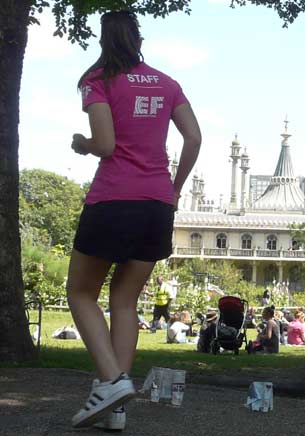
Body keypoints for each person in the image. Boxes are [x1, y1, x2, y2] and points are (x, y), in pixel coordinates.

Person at [66, 10, 201, 429]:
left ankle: (110, 382)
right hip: (157, 204)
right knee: (125, 301)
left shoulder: (98, 80)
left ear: (104, 39)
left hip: (113, 201)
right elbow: (194, 138)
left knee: (80, 293)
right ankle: (117, 409)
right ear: (138, 37)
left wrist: (82, 144)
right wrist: (175, 188)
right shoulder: (167, 82)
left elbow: (106, 145)